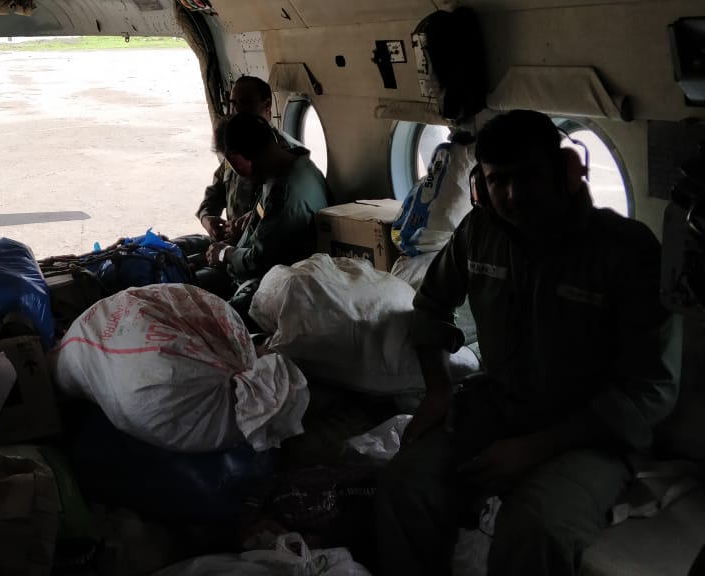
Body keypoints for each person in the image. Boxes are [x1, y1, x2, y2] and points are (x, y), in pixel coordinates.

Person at [375, 110, 678, 576]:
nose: (512, 196)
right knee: (404, 487)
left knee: (535, 532)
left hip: (588, 433)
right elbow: (431, 304)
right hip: (498, 406)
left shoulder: (625, 250)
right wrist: (437, 391)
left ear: (565, 173)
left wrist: (536, 448)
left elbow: (651, 390)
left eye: (528, 177)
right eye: (498, 181)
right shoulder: (478, 234)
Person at [201, 112, 330, 318]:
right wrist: (246, 226)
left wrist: (225, 254)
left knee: (201, 316)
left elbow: (260, 261)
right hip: (254, 271)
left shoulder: (285, 192)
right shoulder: (290, 170)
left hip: (273, 285)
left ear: (239, 161)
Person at [196, 76, 303, 245]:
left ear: (267, 105)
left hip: (256, 247)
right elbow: (216, 192)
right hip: (232, 244)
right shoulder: (234, 143)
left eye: (245, 103)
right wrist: (207, 219)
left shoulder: (283, 153)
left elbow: (282, 211)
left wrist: (252, 221)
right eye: (233, 103)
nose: (236, 110)